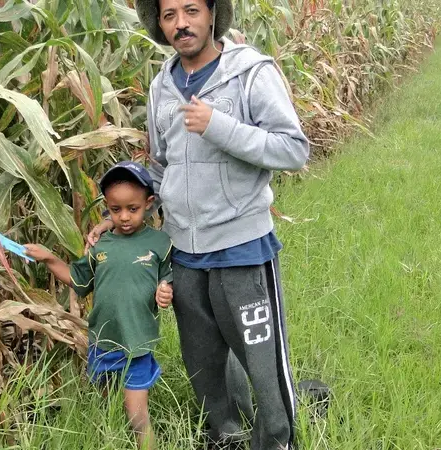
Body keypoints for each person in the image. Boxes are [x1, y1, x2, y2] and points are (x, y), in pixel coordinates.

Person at [87, 0, 310, 449]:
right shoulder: (161, 86)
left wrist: (218, 126)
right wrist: (119, 221)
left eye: (191, 10)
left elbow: (293, 149)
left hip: (242, 247)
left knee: (263, 363)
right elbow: (161, 168)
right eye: (169, 15)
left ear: (212, 14)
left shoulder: (250, 72)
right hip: (184, 252)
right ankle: (226, 436)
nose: (181, 24)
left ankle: (277, 440)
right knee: (205, 364)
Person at [25, 161, 175, 450]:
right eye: (116, 210)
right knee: (108, 408)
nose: (124, 217)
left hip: (137, 343)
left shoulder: (160, 243)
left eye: (133, 209)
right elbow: (78, 279)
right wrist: (48, 258)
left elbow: (168, 277)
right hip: (102, 342)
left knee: (137, 417)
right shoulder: (100, 247)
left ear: (148, 204)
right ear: (107, 207)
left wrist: (166, 290)